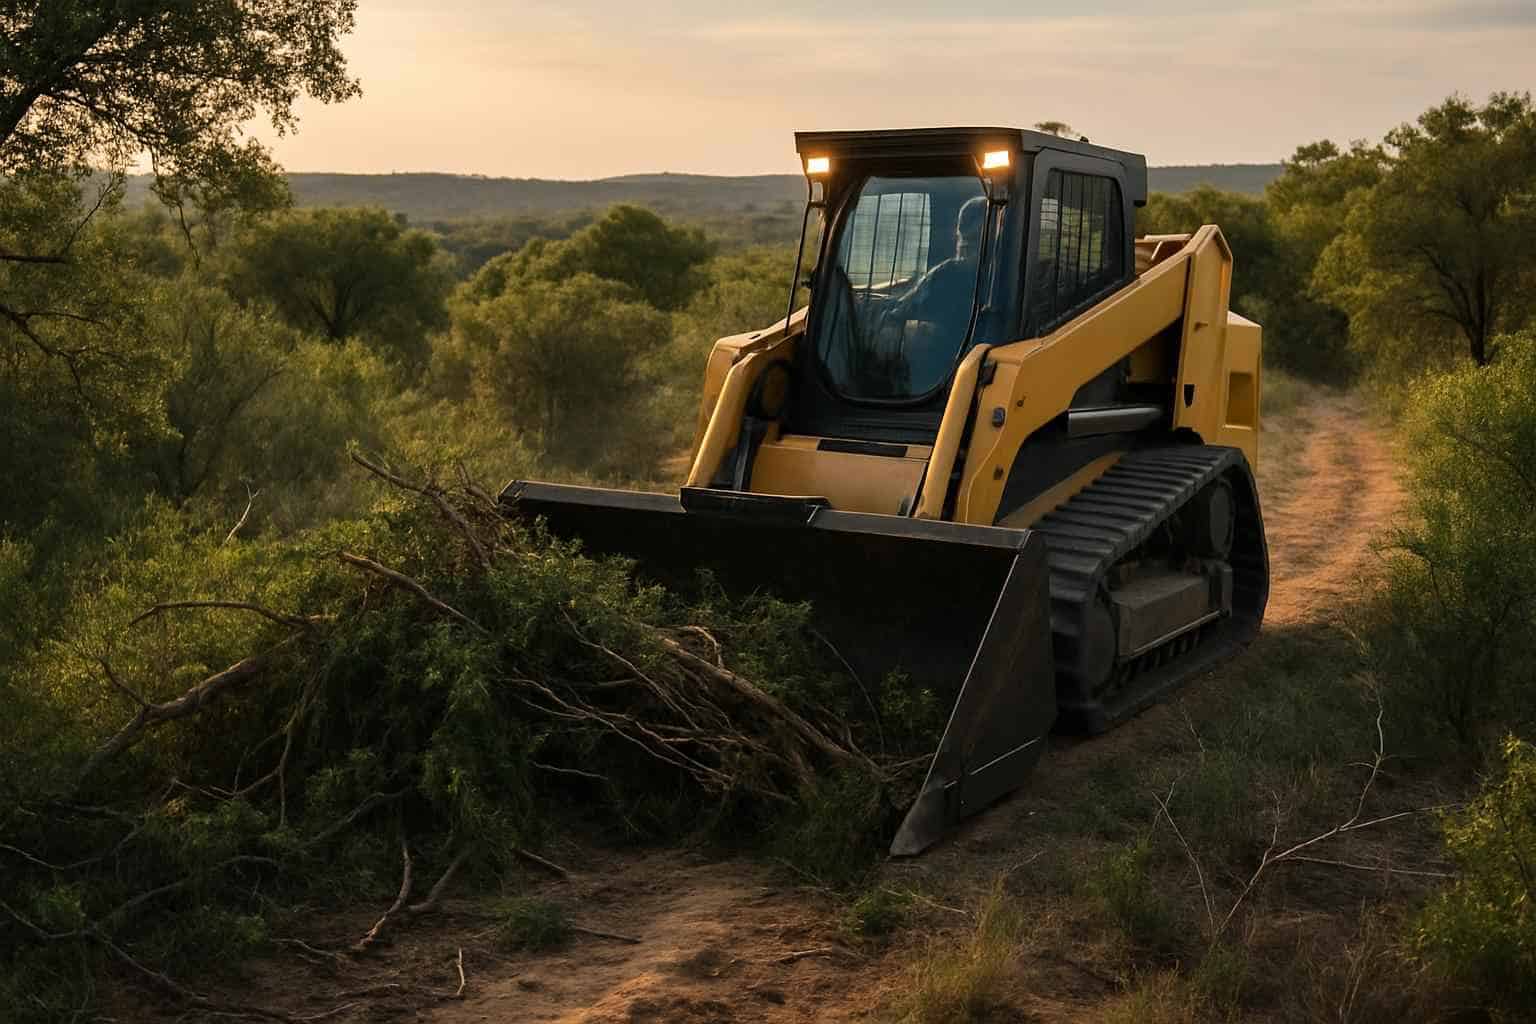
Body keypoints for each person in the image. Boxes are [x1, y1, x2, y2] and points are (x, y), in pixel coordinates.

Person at [873, 195, 988, 389]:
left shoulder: (948, 274)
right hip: (956, 370)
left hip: (959, 372)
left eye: (973, 239)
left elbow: (900, 311)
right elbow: (904, 308)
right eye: (963, 238)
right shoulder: (948, 275)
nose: (965, 245)